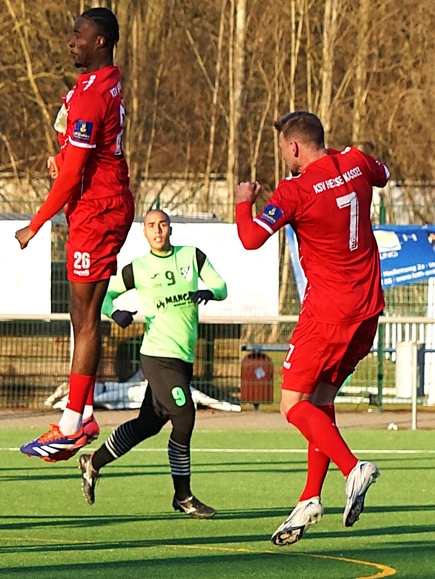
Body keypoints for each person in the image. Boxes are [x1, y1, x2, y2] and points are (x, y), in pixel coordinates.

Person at [236, 111, 387, 545]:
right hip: (368, 309)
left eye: (283, 148)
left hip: (327, 314)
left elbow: (250, 238)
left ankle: (353, 467)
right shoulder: (355, 160)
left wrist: (244, 201)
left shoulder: (295, 190)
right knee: (321, 401)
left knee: (291, 405)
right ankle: (309, 499)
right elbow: (383, 174)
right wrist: (340, 164)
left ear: (294, 147)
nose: (284, 155)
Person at [16, 7, 134, 461]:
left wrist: (36, 223)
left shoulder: (91, 95)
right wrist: (64, 155)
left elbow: (74, 173)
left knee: (85, 319)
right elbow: (80, 153)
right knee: (80, 315)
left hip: (97, 211)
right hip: (97, 207)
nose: (70, 40)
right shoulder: (98, 85)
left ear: (100, 41)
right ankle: (80, 414)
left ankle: (72, 424)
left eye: (78, 34)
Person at [78, 210, 226, 519]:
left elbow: (221, 286)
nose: (157, 230)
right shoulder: (138, 268)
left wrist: (209, 291)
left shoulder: (191, 256)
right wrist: (114, 312)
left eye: (162, 224)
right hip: (158, 355)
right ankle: (183, 496)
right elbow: (104, 296)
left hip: (183, 357)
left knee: (148, 424)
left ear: (170, 228)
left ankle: (93, 462)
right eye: (151, 226)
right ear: (144, 232)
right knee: (184, 416)